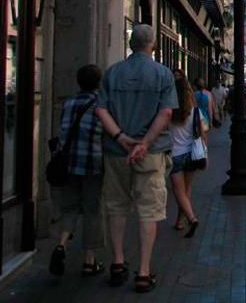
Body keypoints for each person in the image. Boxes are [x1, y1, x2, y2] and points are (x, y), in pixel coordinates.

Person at [95, 24, 177, 293]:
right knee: (148, 210)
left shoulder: (112, 73)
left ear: (131, 44)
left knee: (116, 205)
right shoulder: (163, 75)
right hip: (149, 154)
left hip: (116, 151)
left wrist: (120, 137)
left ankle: (117, 262)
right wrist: (144, 144)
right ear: (152, 44)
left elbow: (101, 110)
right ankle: (143, 271)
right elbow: (166, 113)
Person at [49, 65, 106, 278]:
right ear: (98, 83)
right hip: (92, 164)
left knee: (70, 207)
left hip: (69, 162)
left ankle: (61, 244)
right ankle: (90, 260)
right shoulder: (100, 105)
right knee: (92, 210)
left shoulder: (69, 103)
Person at [169, 77, 206, 237]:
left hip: (175, 155)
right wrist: (205, 153)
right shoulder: (195, 111)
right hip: (191, 154)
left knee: (178, 191)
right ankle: (179, 220)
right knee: (187, 190)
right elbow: (202, 132)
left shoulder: (169, 111)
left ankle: (191, 218)